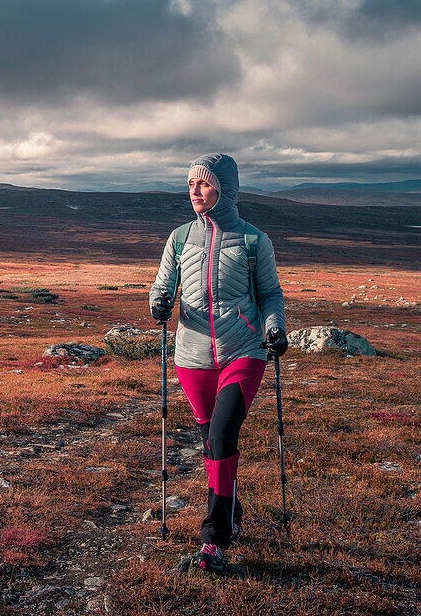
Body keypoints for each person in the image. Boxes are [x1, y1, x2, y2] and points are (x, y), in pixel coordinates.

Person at [148, 153, 287, 574]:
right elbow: (162, 284)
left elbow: (271, 294)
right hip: (192, 357)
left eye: (204, 184)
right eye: (190, 183)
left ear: (225, 188)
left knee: (223, 436)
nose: (194, 190)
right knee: (213, 446)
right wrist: (158, 301)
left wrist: (274, 327)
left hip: (244, 351)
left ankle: (214, 540)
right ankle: (234, 513)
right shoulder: (178, 238)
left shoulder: (253, 240)